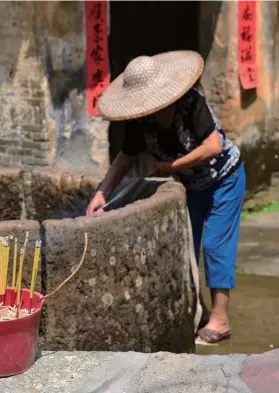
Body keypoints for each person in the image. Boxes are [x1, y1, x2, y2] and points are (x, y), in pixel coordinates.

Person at [86, 51, 246, 344]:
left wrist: (171, 167)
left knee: (214, 245)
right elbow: (125, 158)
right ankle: (201, 311)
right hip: (193, 186)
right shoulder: (141, 120)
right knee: (187, 247)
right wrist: (101, 193)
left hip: (225, 180)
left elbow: (213, 147)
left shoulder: (191, 104)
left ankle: (221, 321)